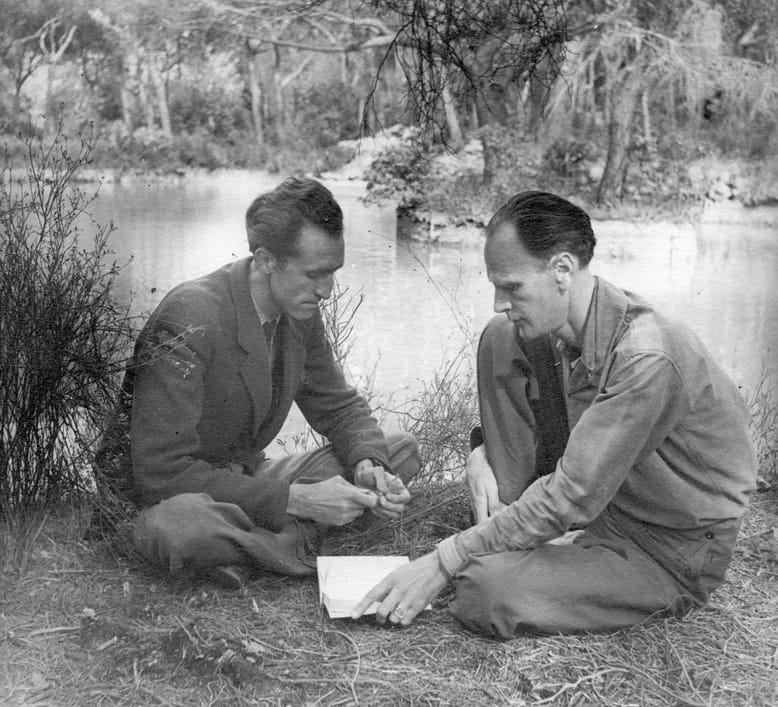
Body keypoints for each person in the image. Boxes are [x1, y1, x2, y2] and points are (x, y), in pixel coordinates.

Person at [352, 191, 756, 636]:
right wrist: (480, 451)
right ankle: (508, 523)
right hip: (608, 508)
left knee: (483, 591)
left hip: (670, 549)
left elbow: (573, 493)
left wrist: (444, 559)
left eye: (512, 287)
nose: (499, 301)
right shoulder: (575, 327)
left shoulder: (647, 357)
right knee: (503, 336)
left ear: (562, 269)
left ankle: (510, 547)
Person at [94, 176, 420, 583]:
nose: (327, 290)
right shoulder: (189, 317)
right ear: (267, 261)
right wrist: (297, 499)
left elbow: (337, 405)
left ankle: (247, 551)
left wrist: (369, 465)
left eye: (333, 272)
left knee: (398, 450)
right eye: (314, 274)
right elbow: (161, 474)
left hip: (243, 483)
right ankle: (289, 544)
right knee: (177, 529)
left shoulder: (298, 312)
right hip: (170, 496)